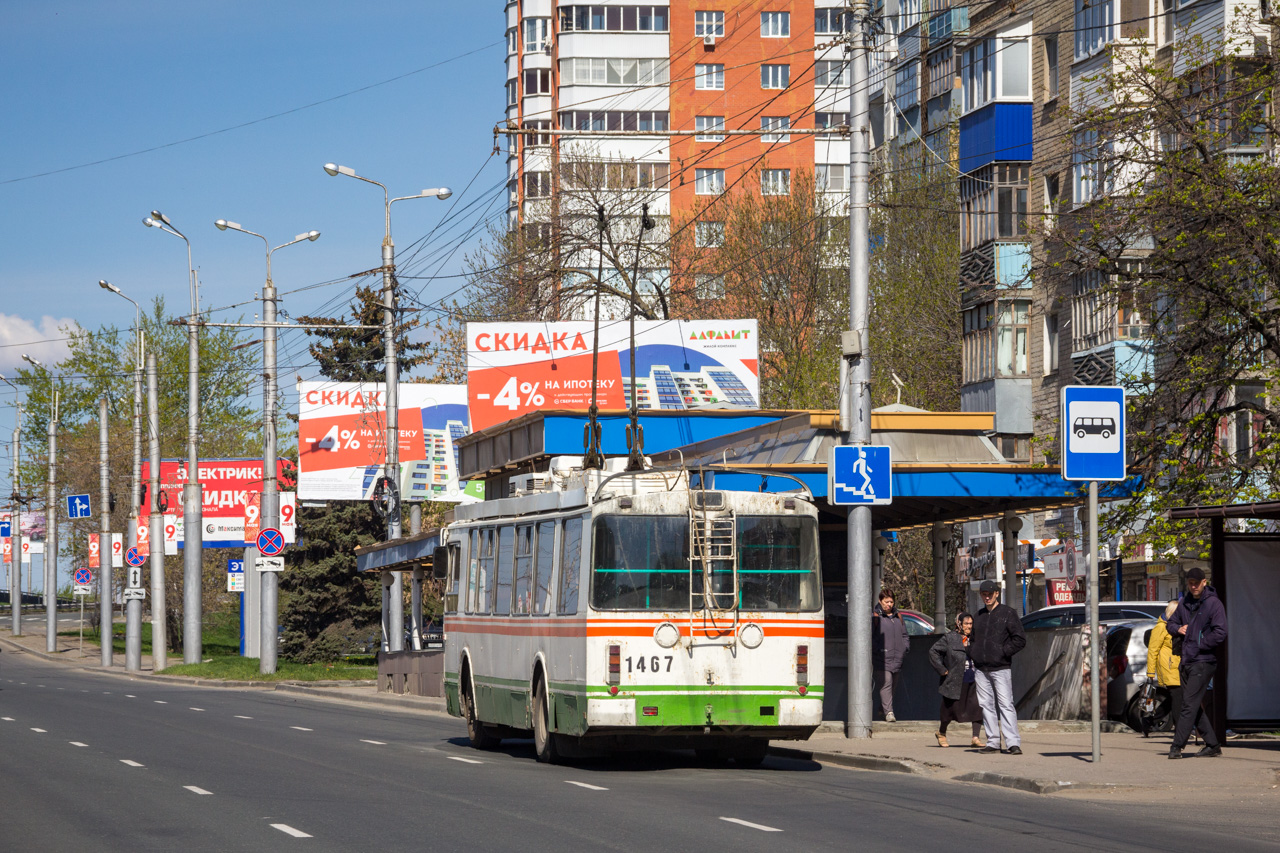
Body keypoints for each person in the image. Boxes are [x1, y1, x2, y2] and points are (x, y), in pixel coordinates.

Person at [1166, 568, 1227, 759]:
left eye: (1197, 582)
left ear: (1204, 582)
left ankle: (1177, 747)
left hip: (1203, 661)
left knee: (1188, 705)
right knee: (1191, 705)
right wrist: (1178, 629)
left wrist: (1199, 642)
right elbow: (1170, 624)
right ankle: (1213, 745)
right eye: (1190, 582)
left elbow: (1220, 632)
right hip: (1186, 660)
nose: (1193, 586)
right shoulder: (1184, 602)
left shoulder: (1213, 604)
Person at [970, 579, 1027, 754]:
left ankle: (1012, 743)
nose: (987, 597)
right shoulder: (978, 616)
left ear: (997, 594)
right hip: (981, 668)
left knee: (1005, 704)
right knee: (986, 705)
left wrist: (1003, 652)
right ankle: (993, 742)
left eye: (990, 594)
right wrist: (974, 653)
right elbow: (972, 639)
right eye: (983, 594)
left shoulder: (1008, 613)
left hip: (1001, 667)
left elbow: (1019, 639)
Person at [928, 612, 983, 748]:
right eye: (966, 624)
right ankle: (941, 733)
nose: (969, 627)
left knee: (977, 707)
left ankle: (975, 737)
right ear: (959, 624)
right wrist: (942, 669)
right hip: (954, 680)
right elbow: (933, 651)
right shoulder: (950, 637)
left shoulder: (976, 638)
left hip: (974, 678)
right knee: (949, 710)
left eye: (971, 624)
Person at [1144, 600, 1182, 736]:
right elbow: (1152, 651)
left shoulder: (1176, 626)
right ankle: (1180, 731)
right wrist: (1150, 673)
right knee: (1178, 698)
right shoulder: (1161, 628)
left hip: (1178, 667)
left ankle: (1150, 720)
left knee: (1175, 698)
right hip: (1168, 668)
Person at [872, 589, 909, 722]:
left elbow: (904, 634)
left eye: (891, 601)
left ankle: (883, 709)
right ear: (880, 601)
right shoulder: (876, 617)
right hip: (881, 658)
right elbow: (871, 637)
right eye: (886, 601)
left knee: (892, 685)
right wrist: (878, 649)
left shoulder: (898, 617)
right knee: (886, 683)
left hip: (897, 657)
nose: (889, 604)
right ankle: (889, 713)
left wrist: (905, 648)